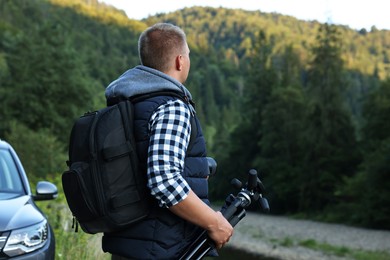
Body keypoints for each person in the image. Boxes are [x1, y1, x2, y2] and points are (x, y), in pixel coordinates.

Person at [102, 23, 233, 259]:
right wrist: (215, 223)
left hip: (129, 244)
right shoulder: (171, 106)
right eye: (189, 55)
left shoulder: (127, 105)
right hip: (164, 248)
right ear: (180, 61)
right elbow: (163, 180)